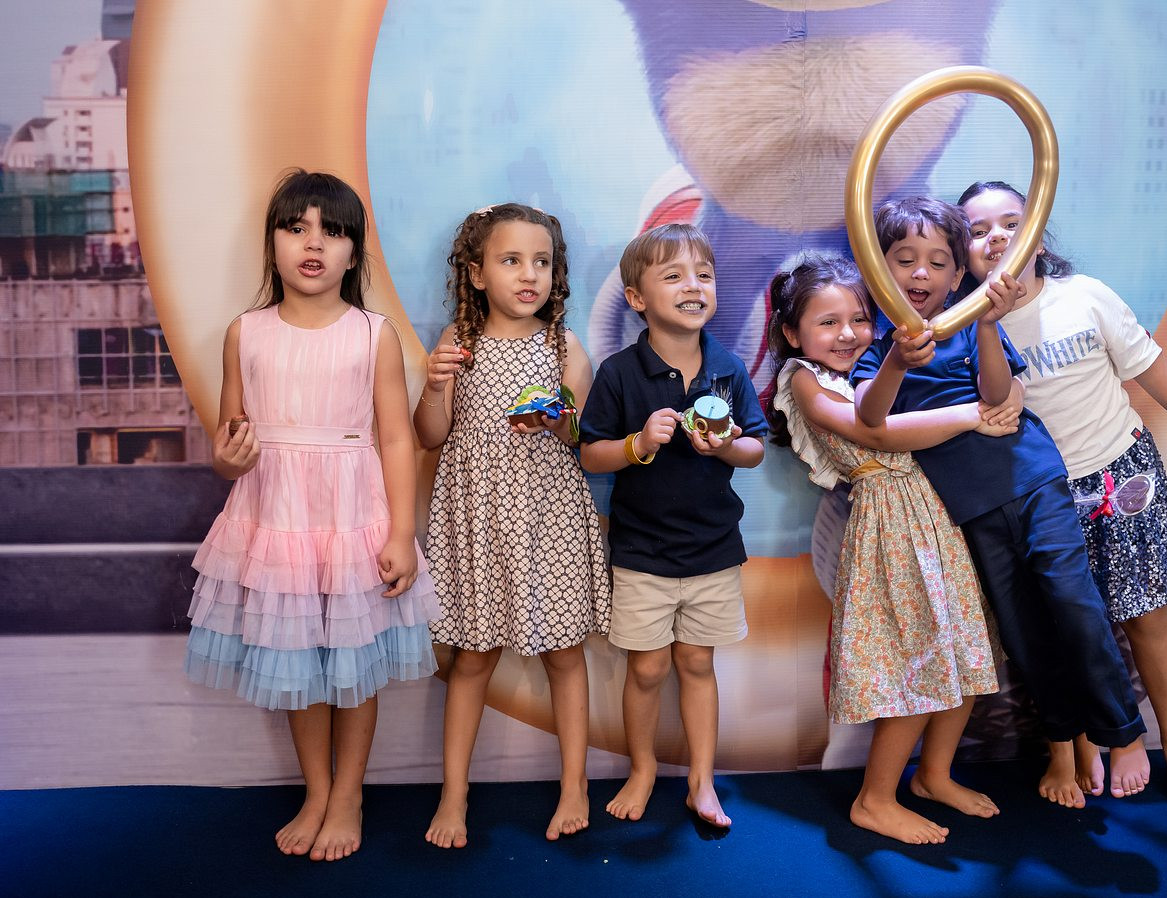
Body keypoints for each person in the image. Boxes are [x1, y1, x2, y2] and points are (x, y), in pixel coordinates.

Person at [852, 197, 1149, 808]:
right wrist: (897, 360)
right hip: (974, 511)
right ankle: (1064, 737)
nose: (921, 273)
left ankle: (1123, 733)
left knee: (1075, 603)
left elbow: (995, 391)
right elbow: (871, 416)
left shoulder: (969, 325)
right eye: (904, 259)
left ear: (957, 275)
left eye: (938, 262)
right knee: (1024, 634)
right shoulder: (877, 350)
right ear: (877, 268)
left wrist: (987, 324)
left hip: (1034, 481)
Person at [959, 181, 1167, 803]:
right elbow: (989, 401)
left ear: (1038, 235)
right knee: (1067, 625)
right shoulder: (964, 327)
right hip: (1042, 496)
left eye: (1011, 222)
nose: (996, 237)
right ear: (964, 253)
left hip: (1121, 473)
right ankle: (1088, 741)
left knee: (1147, 619)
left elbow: (1148, 362)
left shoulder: (1085, 296)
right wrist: (983, 320)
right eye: (977, 231)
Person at [184, 169, 439, 861]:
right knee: (296, 660)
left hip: (354, 516)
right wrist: (228, 459)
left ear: (354, 253)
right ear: (272, 244)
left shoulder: (373, 335)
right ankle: (318, 792)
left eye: (332, 231)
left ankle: (349, 794)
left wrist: (401, 533)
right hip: (278, 520)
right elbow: (228, 447)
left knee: (353, 664)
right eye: (296, 228)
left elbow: (396, 439)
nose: (313, 243)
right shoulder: (245, 333)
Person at [767, 252, 1012, 843]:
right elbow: (873, 432)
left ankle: (933, 775)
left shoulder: (869, 365)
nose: (847, 333)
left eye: (858, 318)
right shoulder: (803, 380)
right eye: (828, 322)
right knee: (919, 661)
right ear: (792, 333)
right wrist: (972, 415)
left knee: (965, 650)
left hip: (936, 519)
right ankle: (874, 800)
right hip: (892, 529)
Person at [417, 203, 611, 848]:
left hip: (548, 519)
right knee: (472, 658)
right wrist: (435, 385)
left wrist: (562, 421)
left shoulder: (563, 346)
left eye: (541, 262)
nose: (529, 275)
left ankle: (575, 785)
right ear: (476, 274)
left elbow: (584, 437)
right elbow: (430, 435)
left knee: (565, 654)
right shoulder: (458, 342)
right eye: (510, 260)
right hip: (479, 518)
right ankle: (453, 794)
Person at [579, 223, 767, 829]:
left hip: (714, 550)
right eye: (674, 275)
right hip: (641, 551)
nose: (694, 286)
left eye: (704, 275)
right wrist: (638, 444)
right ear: (637, 298)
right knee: (647, 668)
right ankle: (641, 769)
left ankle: (701, 782)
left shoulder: (728, 367)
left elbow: (756, 448)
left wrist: (727, 444)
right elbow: (590, 455)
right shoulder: (619, 371)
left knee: (696, 664)